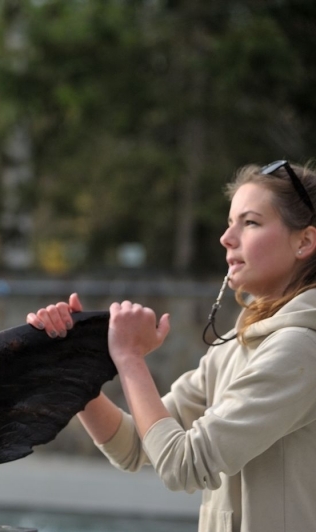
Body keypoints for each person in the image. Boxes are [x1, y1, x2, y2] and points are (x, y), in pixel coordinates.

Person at [27, 161, 316, 532]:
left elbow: (185, 464)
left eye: (251, 222)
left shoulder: (300, 350)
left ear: (305, 242)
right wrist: (73, 363)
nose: (227, 238)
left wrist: (129, 358)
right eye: (230, 222)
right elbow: (134, 446)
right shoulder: (235, 347)